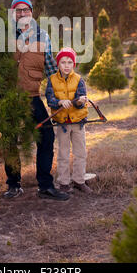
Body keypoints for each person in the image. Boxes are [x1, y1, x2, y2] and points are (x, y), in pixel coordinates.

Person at [3, 0, 70, 201]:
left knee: (46, 136)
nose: (23, 13)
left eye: (26, 10)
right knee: (9, 140)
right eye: (18, 10)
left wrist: (65, 94)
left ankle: (45, 186)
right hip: (9, 99)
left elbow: (51, 71)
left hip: (31, 97)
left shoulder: (42, 36)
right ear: (13, 14)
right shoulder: (4, 37)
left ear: (32, 12)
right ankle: (14, 185)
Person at [45, 47, 92, 194]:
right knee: (63, 153)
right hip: (62, 124)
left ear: (74, 64)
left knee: (80, 152)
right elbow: (50, 99)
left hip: (78, 123)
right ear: (58, 64)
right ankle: (64, 182)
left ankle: (79, 180)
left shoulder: (79, 80)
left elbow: (81, 101)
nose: (66, 65)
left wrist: (78, 101)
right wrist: (59, 102)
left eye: (70, 62)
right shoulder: (52, 80)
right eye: (63, 62)